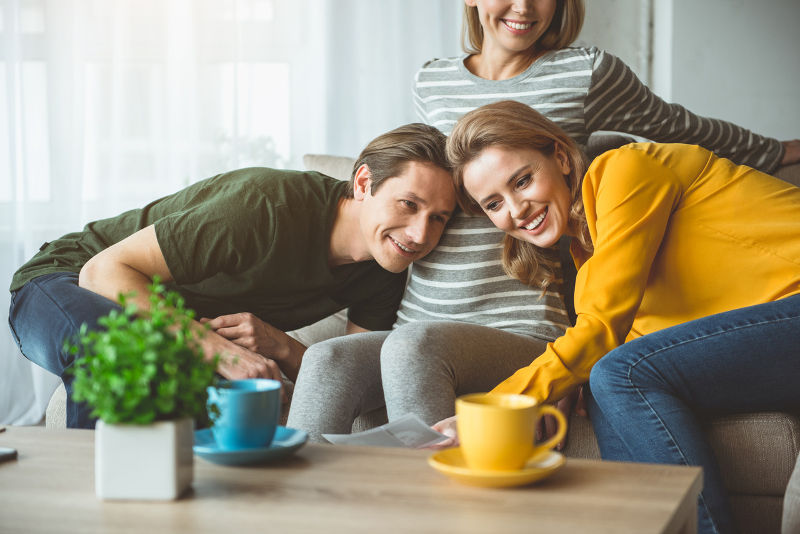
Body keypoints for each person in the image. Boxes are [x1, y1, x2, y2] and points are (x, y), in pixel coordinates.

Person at [288, 0, 800, 443]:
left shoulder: (588, 74)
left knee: (412, 350)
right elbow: (412, 189)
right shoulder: (431, 80)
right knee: (327, 359)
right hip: (426, 309)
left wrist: (779, 151)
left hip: (519, 316)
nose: (525, 7)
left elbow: (680, 127)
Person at [440, 99, 800, 534]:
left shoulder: (625, 170)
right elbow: (609, 338)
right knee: (601, 381)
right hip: (775, 334)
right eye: (494, 204)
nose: (516, 210)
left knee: (616, 373)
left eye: (522, 180)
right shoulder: (590, 258)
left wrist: (500, 407)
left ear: (559, 156)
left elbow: (602, 331)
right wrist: (572, 381)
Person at [7, 123, 457, 429]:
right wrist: (214, 348)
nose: (420, 234)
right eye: (408, 204)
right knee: (119, 353)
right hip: (61, 280)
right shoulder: (264, 206)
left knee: (225, 398)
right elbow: (103, 270)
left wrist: (279, 344)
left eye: (438, 218)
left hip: (158, 322)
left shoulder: (387, 266)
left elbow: (351, 375)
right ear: (363, 184)